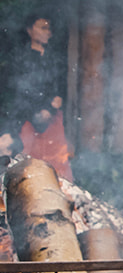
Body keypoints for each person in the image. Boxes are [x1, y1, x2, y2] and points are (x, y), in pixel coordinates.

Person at [9, 12, 73, 181]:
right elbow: (22, 91)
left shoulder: (54, 58)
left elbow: (61, 86)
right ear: (30, 30)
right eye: (42, 28)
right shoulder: (22, 57)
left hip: (52, 119)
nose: (47, 32)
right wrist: (39, 110)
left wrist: (53, 106)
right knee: (31, 164)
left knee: (58, 165)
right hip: (30, 118)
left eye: (48, 29)